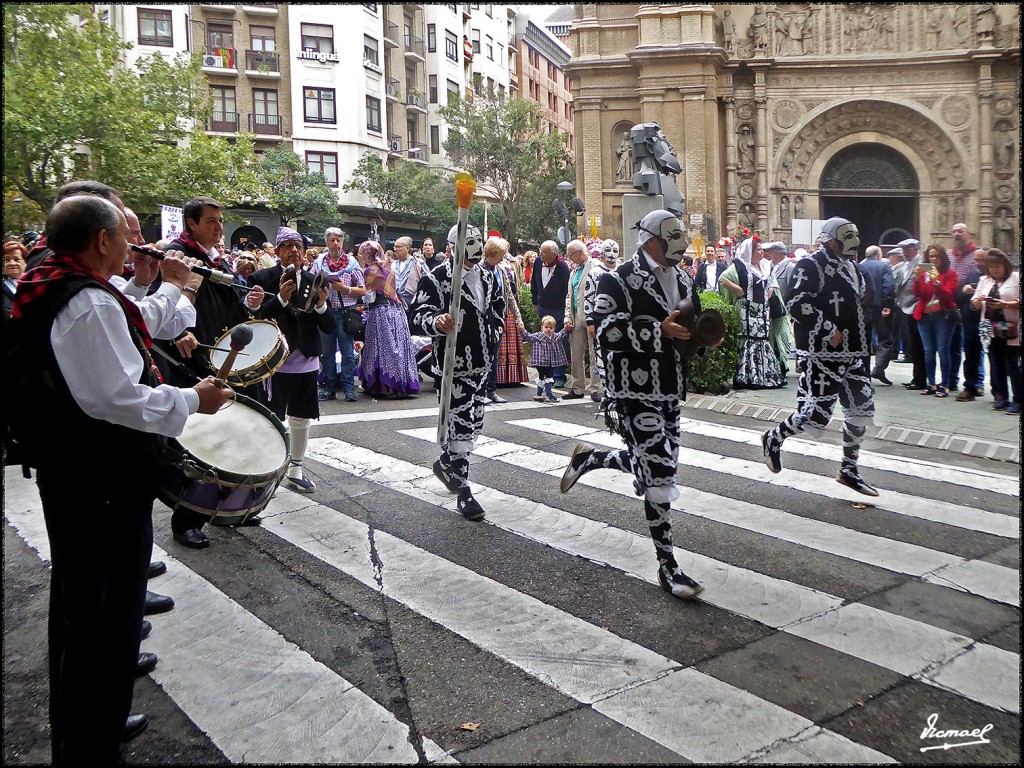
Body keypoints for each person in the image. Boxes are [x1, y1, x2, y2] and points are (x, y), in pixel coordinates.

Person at [5, 195, 233, 764]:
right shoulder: (84, 302)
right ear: (102, 241)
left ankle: (87, 725)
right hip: (98, 478)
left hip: (77, 472)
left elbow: (137, 319)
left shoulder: (64, 285)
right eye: (126, 236)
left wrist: (175, 287)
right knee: (104, 615)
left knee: (87, 605)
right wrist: (193, 399)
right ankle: (90, 741)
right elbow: (116, 396)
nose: (135, 244)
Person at [559, 209, 705, 600]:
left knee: (663, 465)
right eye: (673, 235)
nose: (682, 242)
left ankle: (590, 460)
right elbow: (604, 330)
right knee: (659, 472)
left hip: (671, 388)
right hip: (632, 390)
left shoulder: (685, 277)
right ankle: (668, 566)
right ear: (652, 239)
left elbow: (691, 323)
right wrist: (656, 329)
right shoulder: (617, 278)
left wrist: (702, 337)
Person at [158, 197, 266, 549]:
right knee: (201, 444)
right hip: (194, 361)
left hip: (226, 359)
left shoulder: (217, 259)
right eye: (211, 221)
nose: (220, 228)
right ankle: (187, 518)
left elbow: (231, 302)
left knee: (233, 435)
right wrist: (176, 333)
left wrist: (248, 303)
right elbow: (157, 305)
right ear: (190, 223)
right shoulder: (176, 256)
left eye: (220, 221)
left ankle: (232, 506)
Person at [761, 217, 878, 497]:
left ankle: (849, 469)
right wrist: (827, 328)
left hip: (855, 353)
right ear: (830, 240)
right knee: (815, 414)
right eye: (843, 239)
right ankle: (773, 439)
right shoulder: (810, 265)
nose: (850, 245)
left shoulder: (855, 268)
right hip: (822, 353)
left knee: (861, 409)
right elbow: (795, 302)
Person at [409, 223, 506, 521]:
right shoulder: (437, 278)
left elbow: (497, 306)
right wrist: (437, 322)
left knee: (474, 424)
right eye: (469, 241)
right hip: (454, 365)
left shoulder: (489, 275)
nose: (475, 247)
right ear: (453, 246)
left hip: (482, 363)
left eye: (478, 241)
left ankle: (445, 463)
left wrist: (494, 330)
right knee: (460, 426)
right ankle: (464, 490)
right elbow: (417, 316)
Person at [248, 227, 334, 492]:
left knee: (301, 417)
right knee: (271, 418)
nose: (294, 250)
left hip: (306, 357)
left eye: (298, 245)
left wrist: (321, 306)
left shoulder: (316, 279)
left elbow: (329, 327)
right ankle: (267, 469)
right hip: (272, 361)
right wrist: (281, 300)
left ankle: (295, 468)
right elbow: (255, 319)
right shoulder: (262, 278)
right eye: (287, 246)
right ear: (277, 250)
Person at [353, 240, 420, 398]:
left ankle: (383, 386)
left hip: (380, 312)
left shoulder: (370, 270)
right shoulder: (388, 267)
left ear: (368, 254)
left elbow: (369, 297)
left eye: (362, 253)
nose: (361, 255)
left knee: (380, 348)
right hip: (396, 311)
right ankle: (401, 384)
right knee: (397, 348)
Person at [718, 237, 786, 388]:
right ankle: (748, 376)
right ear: (750, 251)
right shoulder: (740, 266)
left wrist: (771, 289)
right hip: (746, 309)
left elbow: (772, 281)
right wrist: (738, 290)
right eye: (759, 250)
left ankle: (765, 375)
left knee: (763, 338)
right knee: (749, 338)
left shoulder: (765, 266)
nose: (762, 252)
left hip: (763, 309)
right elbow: (723, 279)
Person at [313, 227, 365, 403]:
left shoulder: (352, 264)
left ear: (342, 242)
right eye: (332, 240)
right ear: (326, 242)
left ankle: (349, 387)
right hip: (325, 312)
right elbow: (311, 283)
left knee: (347, 353)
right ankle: (329, 387)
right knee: (326, 353)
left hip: (346, 313)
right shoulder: (319, 263)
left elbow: (363, 290)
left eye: (339, 240)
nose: (336, 243)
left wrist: (345, 289)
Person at [973, 249, 1020, 414]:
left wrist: (1005, 304)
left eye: (998, 266)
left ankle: (1018, 400)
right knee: (996, 363)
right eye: (992, 267)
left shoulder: (1016, 278)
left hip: (1012, 329)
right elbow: (975, 301)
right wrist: (977, 300)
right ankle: (1002, 398)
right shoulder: (984, 280)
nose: (995, 270)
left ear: (1005, 265)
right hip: (990, 329)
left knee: (1013, 365)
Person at [913, 244, 959, 397]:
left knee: (943, 350)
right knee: (928, 351)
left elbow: (948, 296)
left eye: (936, 256)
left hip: (942, 316)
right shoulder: (925, 274)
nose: (933, 259)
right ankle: (931, 383)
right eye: (930, 256)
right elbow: (919, 294)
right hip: (925, 316)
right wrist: (918, 279)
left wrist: (937, 281)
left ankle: (945, 384)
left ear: (942, 258)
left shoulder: (950, 274)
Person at [483, 237, 527, 397]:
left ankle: (491, 390)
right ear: (492, 253)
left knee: (494, 354)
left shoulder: (500, 270)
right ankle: (481, 391)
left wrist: (518, 318)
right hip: (483, 319)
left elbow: (509, 295)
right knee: (484, 355)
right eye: (501, 255)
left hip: (498, 318)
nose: (503, 258)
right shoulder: (479, 269)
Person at [948, 224, 983, 399]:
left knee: (974, 344)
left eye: (960, 231)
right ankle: (954, 380)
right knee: (955, 344)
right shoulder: (948, 255)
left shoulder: (978, 254)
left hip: (972, 306)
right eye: (954, 232)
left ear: (969, 234)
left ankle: (977, 382)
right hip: (952, 304)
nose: (957, 234)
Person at [562, 238, 600, 401]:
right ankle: (577, 388)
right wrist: (567, 317)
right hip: (576, 316)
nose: (569, 258)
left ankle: (595, 389)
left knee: (594, 355)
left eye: (571, 255)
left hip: (592, 317)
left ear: (580, 253)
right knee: (576, 354)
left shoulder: (595, 267)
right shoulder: (573, 271)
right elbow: (570, 296)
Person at [530, 241, 570, 387]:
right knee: (544, 342)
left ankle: (559, 375)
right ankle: (546, 374)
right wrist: (535, 302)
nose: (540, 254)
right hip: (543, 307)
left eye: (543, 252)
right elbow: (534, 282)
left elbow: (567, 292)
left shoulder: (563, 267)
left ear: (553, 254)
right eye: (540, 250)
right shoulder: (539, 262)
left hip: (558, 309)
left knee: (558, 342)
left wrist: (566, 313)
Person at [857, 245, 896, 384]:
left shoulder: (858, 266)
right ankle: (879, 368)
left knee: (864, 340)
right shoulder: (883, 266)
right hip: (880, 307)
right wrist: (888, 304)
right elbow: (889, 285)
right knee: (885, 338)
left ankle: (863, 374)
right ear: (878, 255)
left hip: (863, 307)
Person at [894, 238, 928, 388]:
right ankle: (916, 377)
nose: (905, 252)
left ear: (915, 249)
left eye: (907, 249)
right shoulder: (905, 266)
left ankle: (921, 378)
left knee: (919, 344)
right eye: (903, 249)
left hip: (918, 306)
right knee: (913, 344)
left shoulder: (922, 264)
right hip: (906, 307)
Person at [763, 241, 796, 376]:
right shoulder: (772, 266)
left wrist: (787, 307)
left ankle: (781, 365)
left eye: (770, 252)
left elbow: (791, 289)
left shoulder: (789, 267)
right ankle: (776, 364)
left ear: (777, 253)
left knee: (780, 338)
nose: (768, 255)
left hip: (783, 310)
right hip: (772, 309)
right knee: (773, 338)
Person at [522, 315, 569, 402]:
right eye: (546, 327)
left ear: (554, 328)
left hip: (551, 361)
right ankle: (548, 394)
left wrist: (566, 329)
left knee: (547, 376)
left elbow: (562, 334)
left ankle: (540, 394)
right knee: (545, 376)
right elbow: (528, 337)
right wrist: (522, 330)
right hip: (540, 361)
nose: (548, 329)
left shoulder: (555, 337)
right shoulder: (538, 336)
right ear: (542, 327)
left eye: (551, 327)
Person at [3, 240, 28, 319]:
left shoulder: (33, 283)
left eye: (17, 259)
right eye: (7, 260)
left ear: (25, 263)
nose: (12, 263)